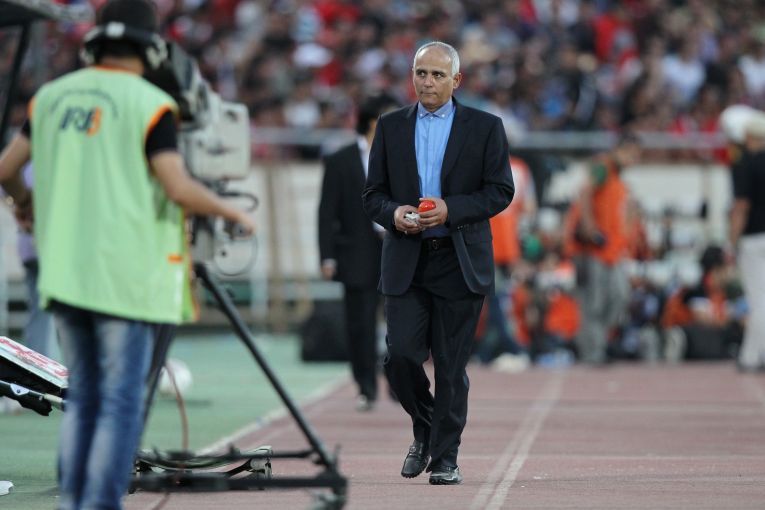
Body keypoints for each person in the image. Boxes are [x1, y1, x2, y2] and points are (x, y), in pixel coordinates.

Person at [0, 1, 255, 509]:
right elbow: (177, 187)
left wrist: (25, 205)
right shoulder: (150, 104)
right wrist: (233, 211)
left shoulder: (50, 97)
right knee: (119, 401)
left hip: (65, 275)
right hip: (127, 279)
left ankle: (75, 502)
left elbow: (6, 170)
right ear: (151, 46)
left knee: (85, 396)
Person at [362, 41, 514, 485]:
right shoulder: (390, 126)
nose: (427, 82)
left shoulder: (486, 127)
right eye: (421, 73)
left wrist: (451, 210)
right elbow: (372, 195)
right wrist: (394, 213)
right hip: (407, 260)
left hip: (459, 260)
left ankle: (446, 457)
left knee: (450, 367)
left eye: (437, 75)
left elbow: (500, 191)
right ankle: (426, 426)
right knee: (401, 359)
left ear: (456, 80)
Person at [317, 94, 398, 412]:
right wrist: (327, 256)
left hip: (397, 248)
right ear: (374, 122)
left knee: (401, 322)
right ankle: (366, 387)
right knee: (360, 324)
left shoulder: (404, 155)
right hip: (356, 251)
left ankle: (399, 384)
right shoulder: (341, 160)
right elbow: (326, 211)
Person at [564, 133, 640, 365]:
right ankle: (592, 352)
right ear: (619, 149)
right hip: (593, 249)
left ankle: (595, 344)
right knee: (593, 303)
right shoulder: (603, 167)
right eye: (630, 154)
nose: (632, 160)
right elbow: (585, 191)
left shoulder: (618, 179)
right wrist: (590, 228)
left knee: (619, 297)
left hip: (611, 252)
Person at [729, 112, 765, 371]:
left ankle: (752, 356)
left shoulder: (745, 164)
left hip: (754, 238)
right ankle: (755, 353)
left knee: (757, 299)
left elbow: (741, 206)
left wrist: (732, 240)